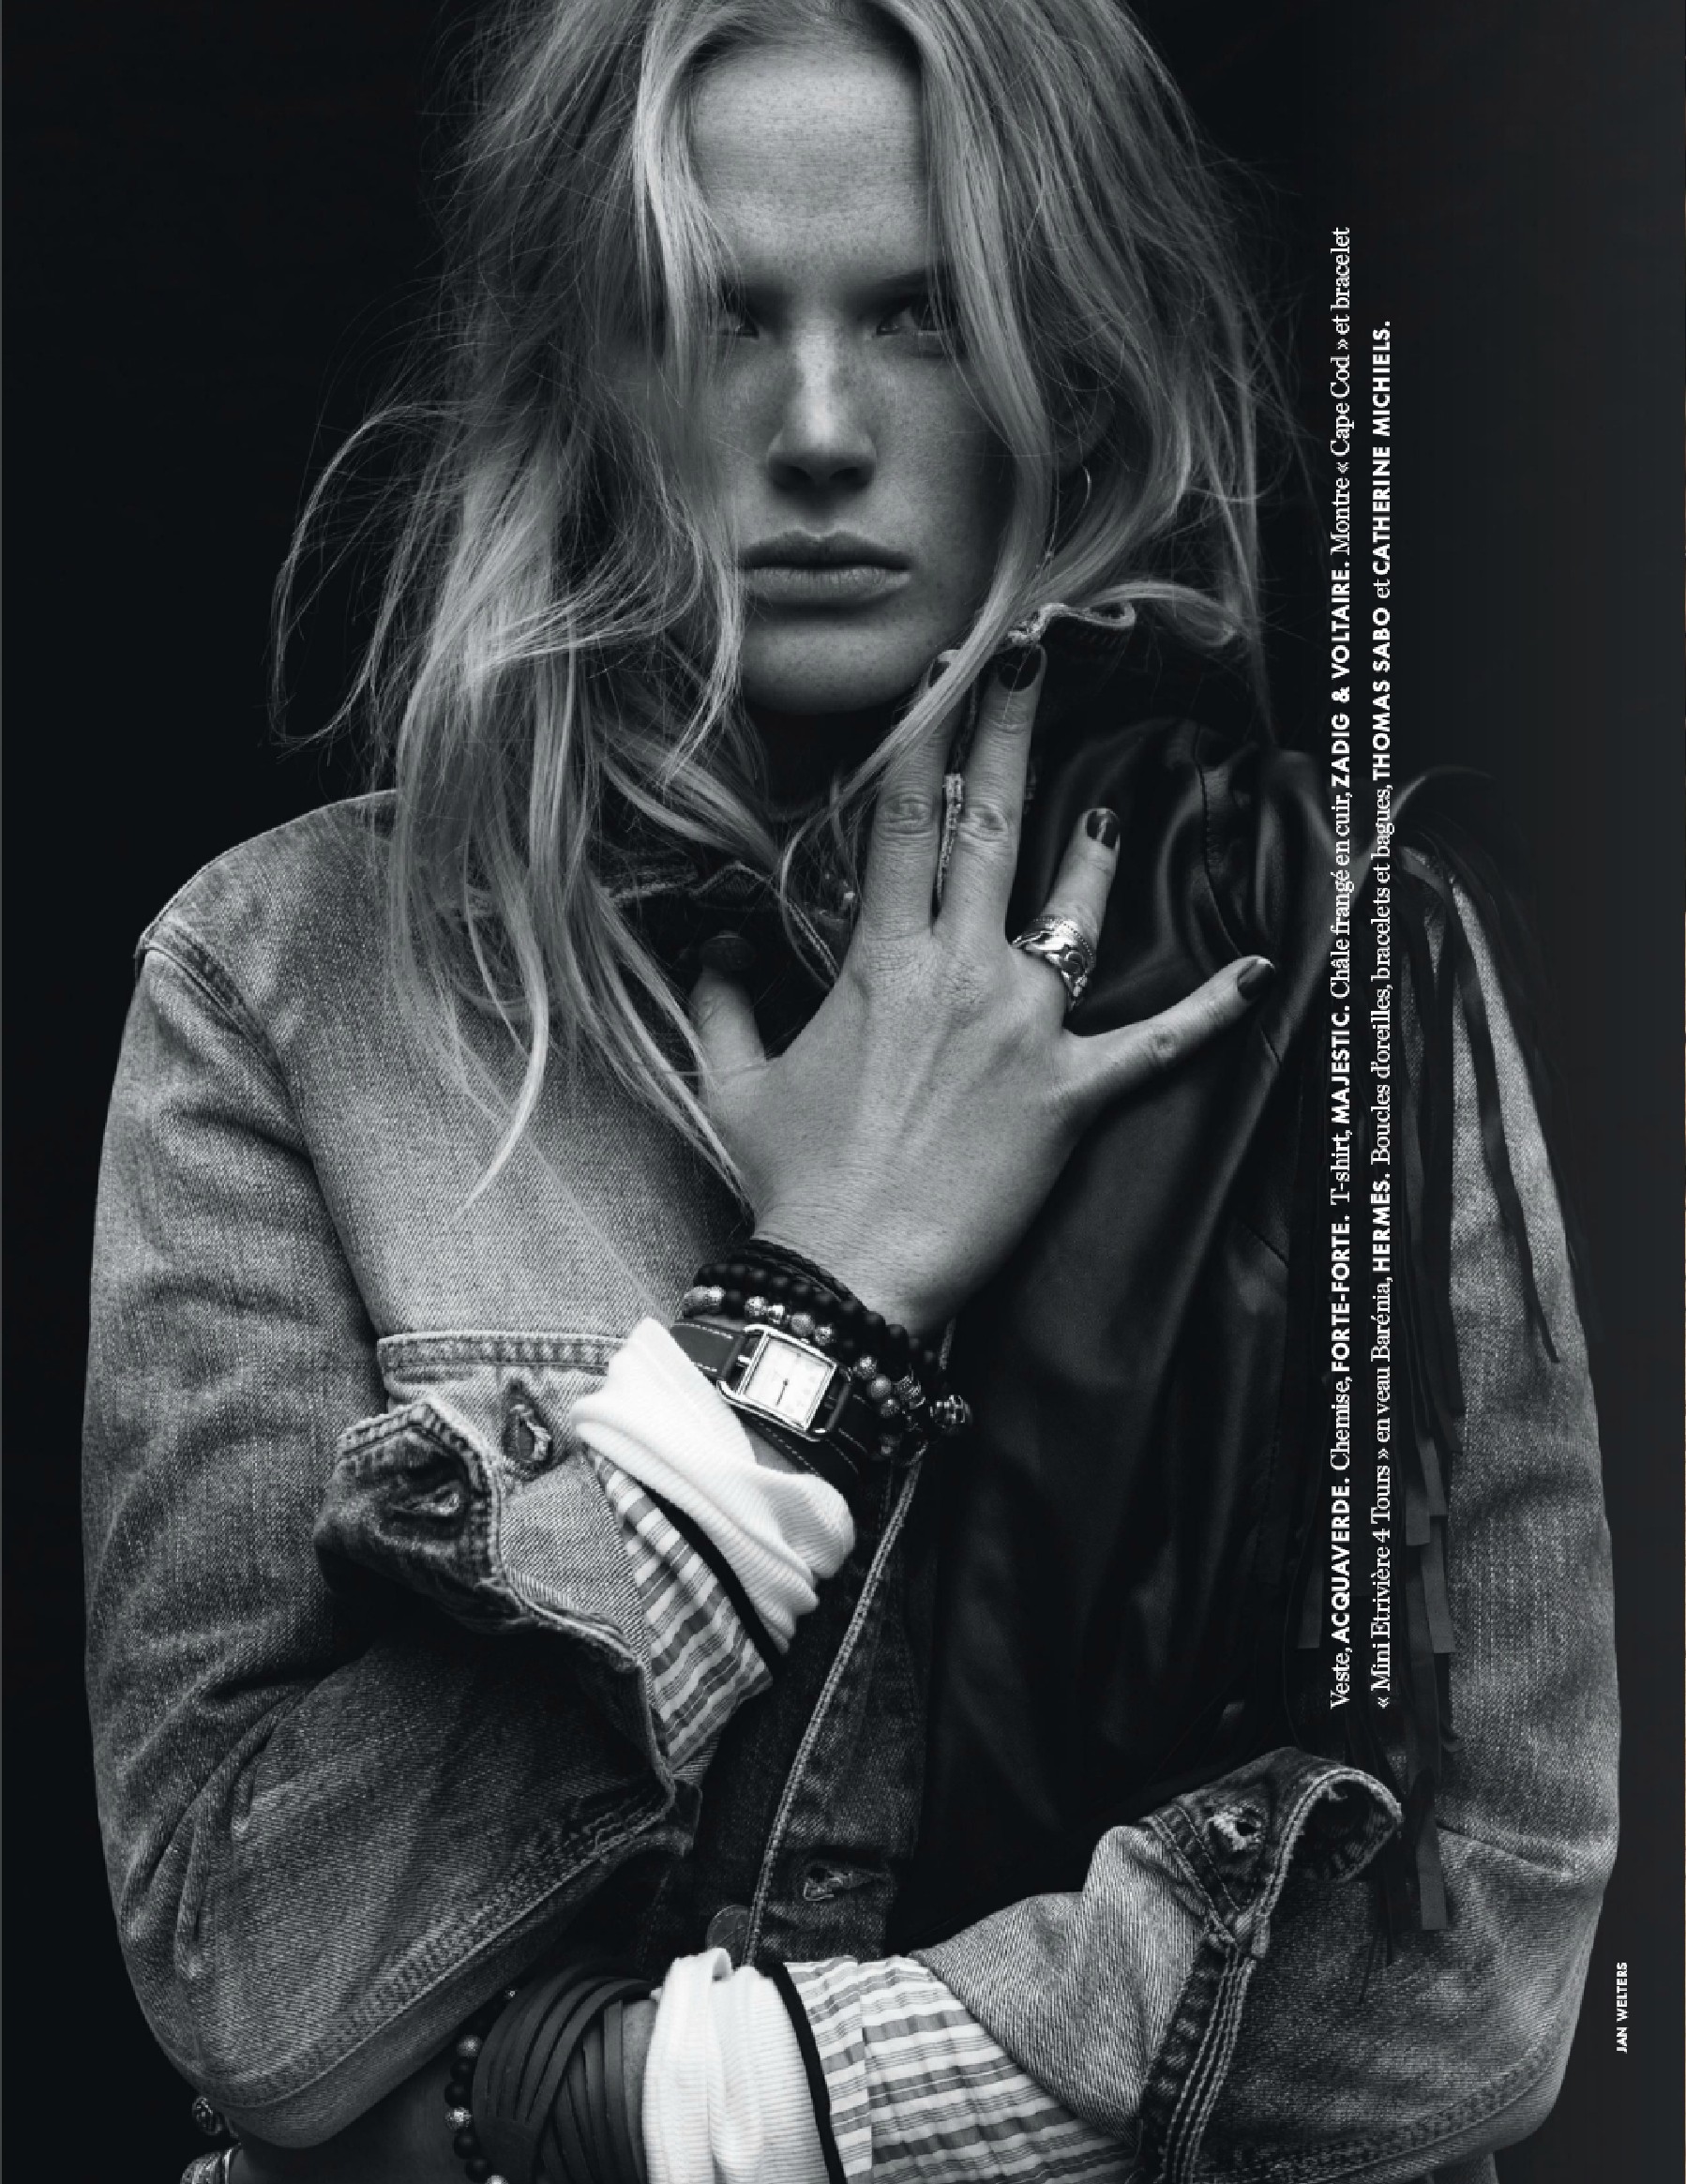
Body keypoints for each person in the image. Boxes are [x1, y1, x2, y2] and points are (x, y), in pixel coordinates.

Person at [83, 2, 1617, 2179]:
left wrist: (662, 2109)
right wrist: (814, 1304)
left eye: (921, 312)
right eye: (716, 317)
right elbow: (250, 1961)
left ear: (1066, 365)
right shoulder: (286, 982)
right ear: (581, 371)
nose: (815, 432)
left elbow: (1471, 1949)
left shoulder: (1330, 975)